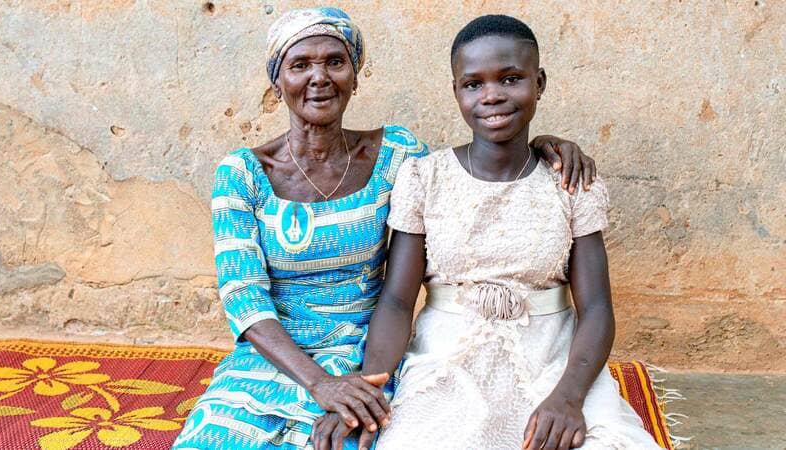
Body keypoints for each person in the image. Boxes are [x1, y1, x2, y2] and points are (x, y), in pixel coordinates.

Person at [174, 8, 598, 450]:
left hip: (369, 350)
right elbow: (243, 299)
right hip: (273, 355)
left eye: (334, 62)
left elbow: (475, 168)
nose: (319, 77)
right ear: (277, 81)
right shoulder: (242, 174)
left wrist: (542, 147)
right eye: (300, 65)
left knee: (341, 441)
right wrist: (320, 384)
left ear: (355, 77)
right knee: (214, 440)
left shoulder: (396, 154)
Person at [336, 15, 663, 450]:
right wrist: (371, 388)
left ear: (539, 82)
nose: (492, 96)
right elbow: (397, 301)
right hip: (446, 354)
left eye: (511, 79)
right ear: (456, 91)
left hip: (552, 356)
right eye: (473, 84)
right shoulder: (423, 177)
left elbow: (598, 307)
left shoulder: (570, 181)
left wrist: (567, 397)